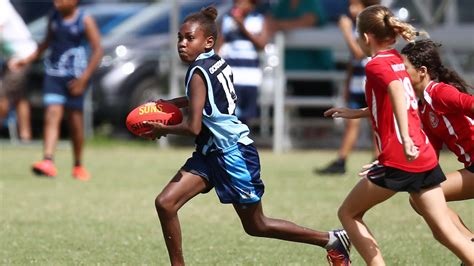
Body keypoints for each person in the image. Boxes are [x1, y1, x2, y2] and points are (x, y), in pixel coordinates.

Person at [141, 6, 351, 266]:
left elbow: (193, 127)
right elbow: (202, 97)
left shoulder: (197, 72)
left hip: (232, 154)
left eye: (189, 38)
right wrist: (170, 103)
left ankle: (331, 239)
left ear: (208, 41)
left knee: (257, 225)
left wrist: (162, 129)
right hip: (210, 152)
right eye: (179, 38)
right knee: (166, 203)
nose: (182, 44)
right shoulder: (215, 62)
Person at [324, 5, 474, 265]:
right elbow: (398, 102)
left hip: (401, 157)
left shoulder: (429, 88)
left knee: (348, 212)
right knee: (441, 228)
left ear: (366, 37)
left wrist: (403, 140)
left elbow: (395, 89)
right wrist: (357, 112)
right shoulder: (398, 63)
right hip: (418, 158)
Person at [12, 0, 103, 180]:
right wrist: (27, 60)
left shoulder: (84, 19)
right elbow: (45, 43)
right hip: (53, 74)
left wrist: (84, 79)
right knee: (52, 113)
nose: (56, 2)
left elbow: (98, 50)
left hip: (75, 78)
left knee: (75, 122)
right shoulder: (53, 16)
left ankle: (78, 164)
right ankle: (48, 161)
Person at [400, 39, 474, 240]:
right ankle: (469, 247)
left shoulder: (439, 92)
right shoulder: (424, 106)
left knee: (424, 197)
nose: (399, 75)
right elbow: (430, 157)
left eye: (403, 68)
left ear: (422, 71)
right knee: (422, 197)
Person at [316, 0, 380, 175]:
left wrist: (346, 32)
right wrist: (347, 84)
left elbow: (359, 53)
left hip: (370, 83)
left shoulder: (370, 27)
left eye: (355, 5)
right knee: (351, 125)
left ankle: (378, 159)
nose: (351, 9)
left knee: (376, 124)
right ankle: (341, 160)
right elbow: (353, 61)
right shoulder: (356, 27)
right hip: (357, 83)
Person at [215, 0, 270, 125]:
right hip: (231, 74)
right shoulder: (227, 19)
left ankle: (242, 141)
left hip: (251, 76)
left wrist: (242, 27)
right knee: (230, 111)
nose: (237, 5)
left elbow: (262, 44)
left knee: (247, 115)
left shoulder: (259, 19)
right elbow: (220, 44)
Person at [0, 0, 37, 142]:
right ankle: (25, 136)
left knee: (3, 96)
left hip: (22, 57)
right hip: (12, 58)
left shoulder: (1, 4)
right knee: (20, 97)